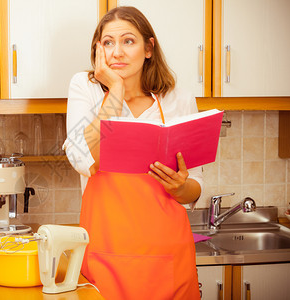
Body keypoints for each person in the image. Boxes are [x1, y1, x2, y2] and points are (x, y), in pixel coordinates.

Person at [63, 6, 202, 300]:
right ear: (98, 50)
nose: (118, 52)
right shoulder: (86, 89)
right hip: (106, 254)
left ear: (148, 48)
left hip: (169, 259)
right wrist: (114, 89)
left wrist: (181, 187)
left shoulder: (178, 99)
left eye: (128, 41)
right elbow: (84, 161)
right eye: (108, 43)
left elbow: (195, 187)